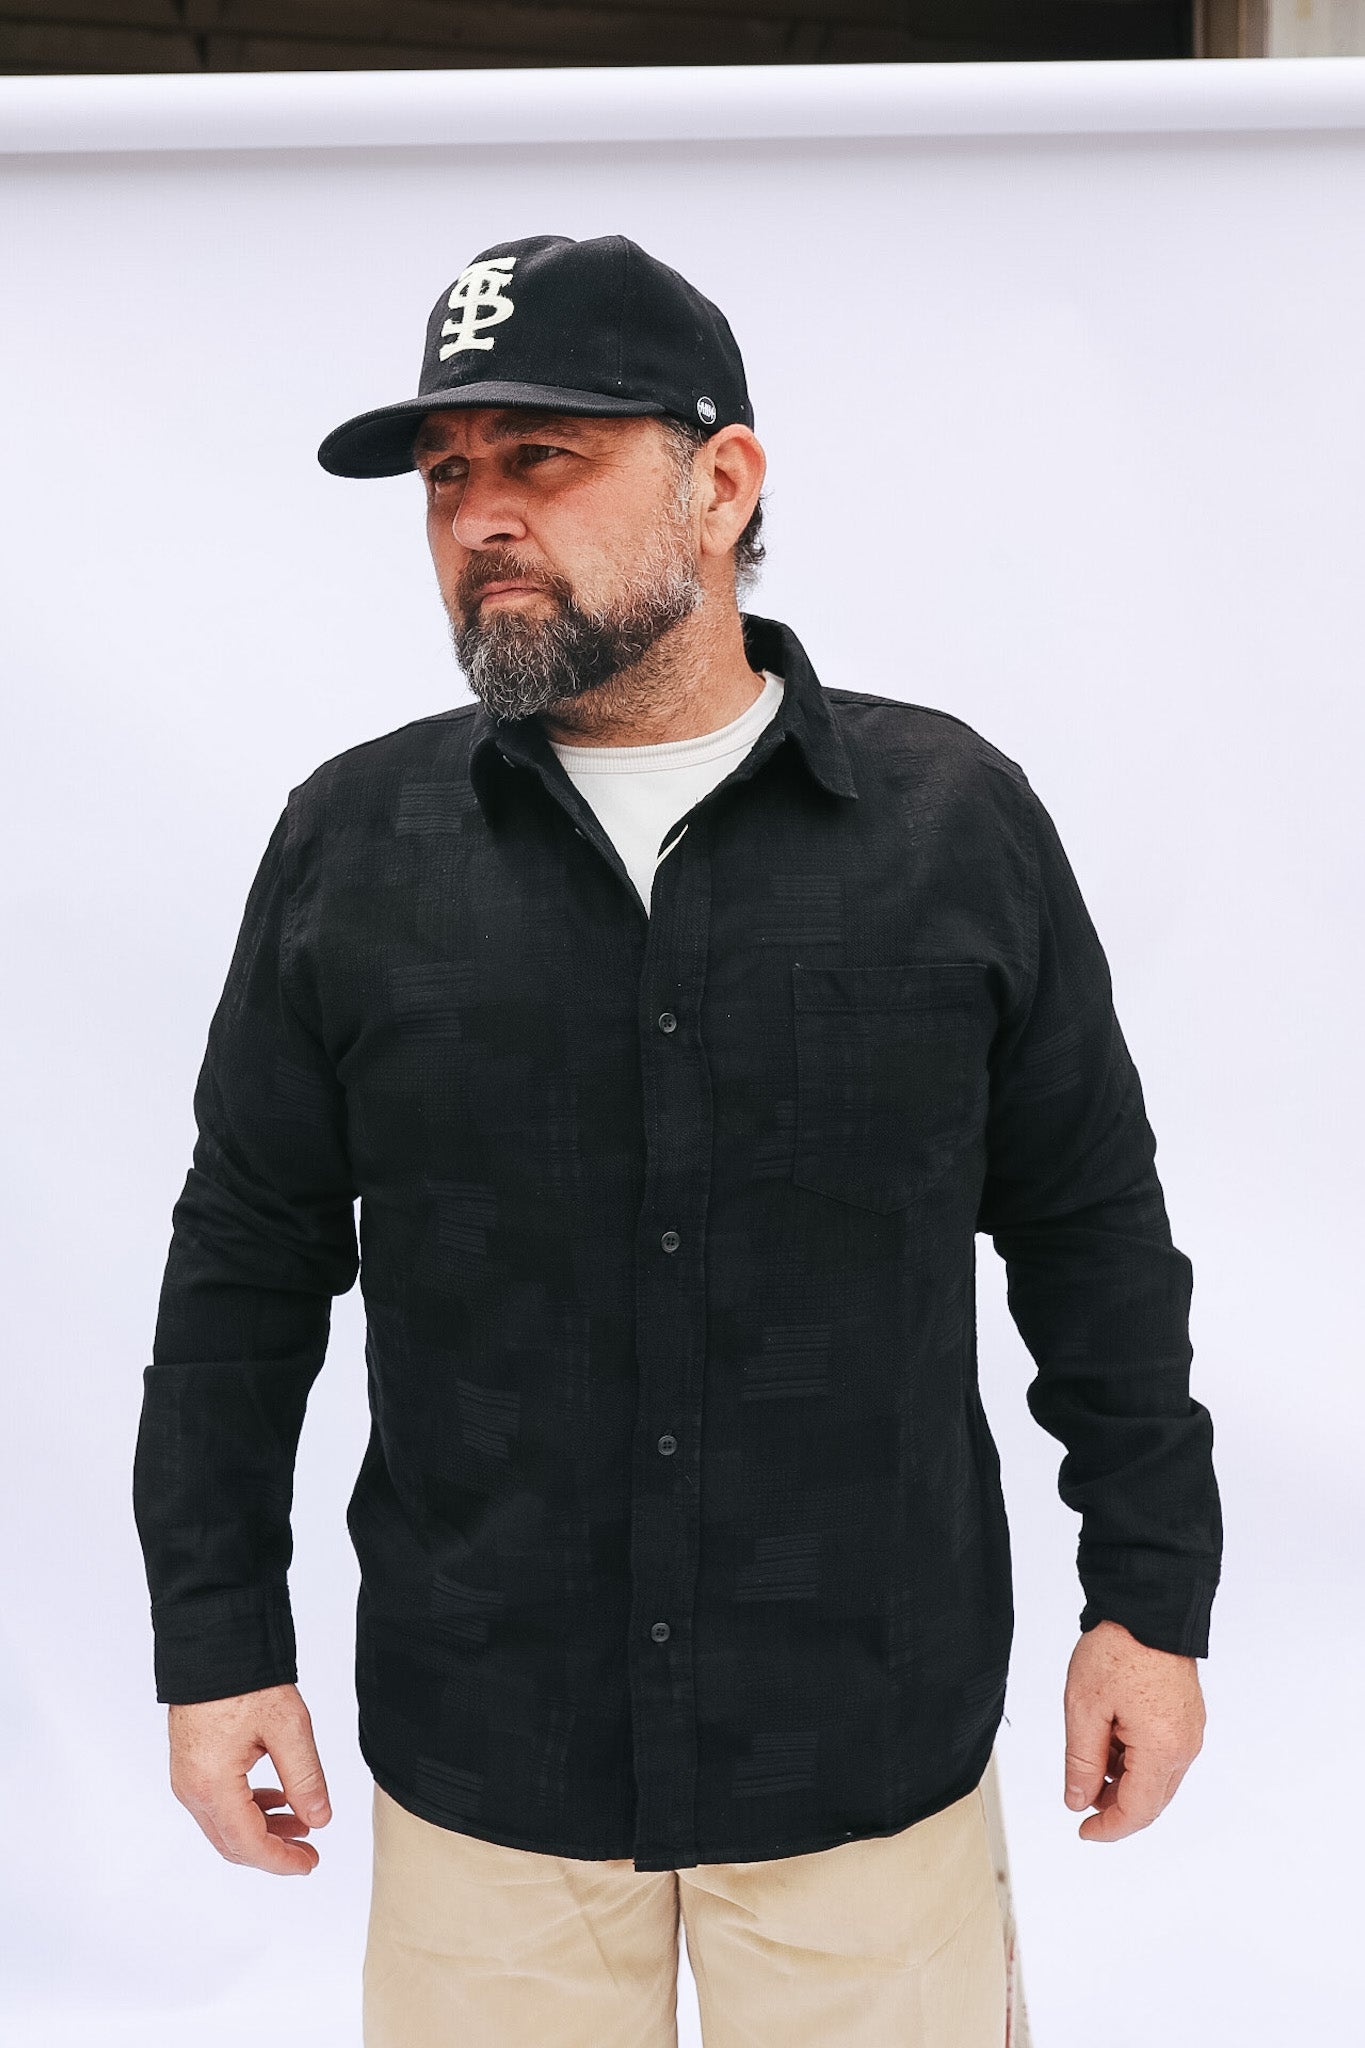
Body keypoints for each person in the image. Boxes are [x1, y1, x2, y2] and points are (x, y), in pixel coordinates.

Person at [133, 233, 1221, 2047]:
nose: (478, 513)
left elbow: (1093, 1233)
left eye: (538, 457)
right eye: (446, 474)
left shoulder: (954, 827)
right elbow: (240, 1265)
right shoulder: (354, 843)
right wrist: (216, 1639)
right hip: (491, 1773)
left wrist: (1150, 1600)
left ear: (721, 482)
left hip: (864, 1757)